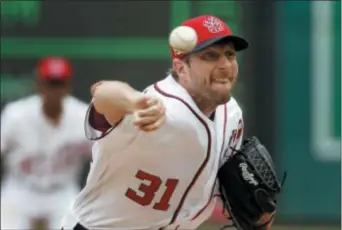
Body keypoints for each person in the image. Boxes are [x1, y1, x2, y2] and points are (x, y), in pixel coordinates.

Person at [61, 15, 272, 230]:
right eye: (210, 56)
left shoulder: (232, 113)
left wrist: (261, 215)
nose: (225, 65)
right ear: (181, 68)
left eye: (229, 55)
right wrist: (134, 101)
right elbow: (103, 94)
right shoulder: (156, 110)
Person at [1, 57, 92, 230]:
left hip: (62, 192)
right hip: (20, 190)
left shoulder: (83, 116)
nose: (54, 90)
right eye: (50, 83)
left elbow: (103, 159)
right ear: (39, 85)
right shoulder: (16, 115)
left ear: (68, 86)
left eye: (59, 83)